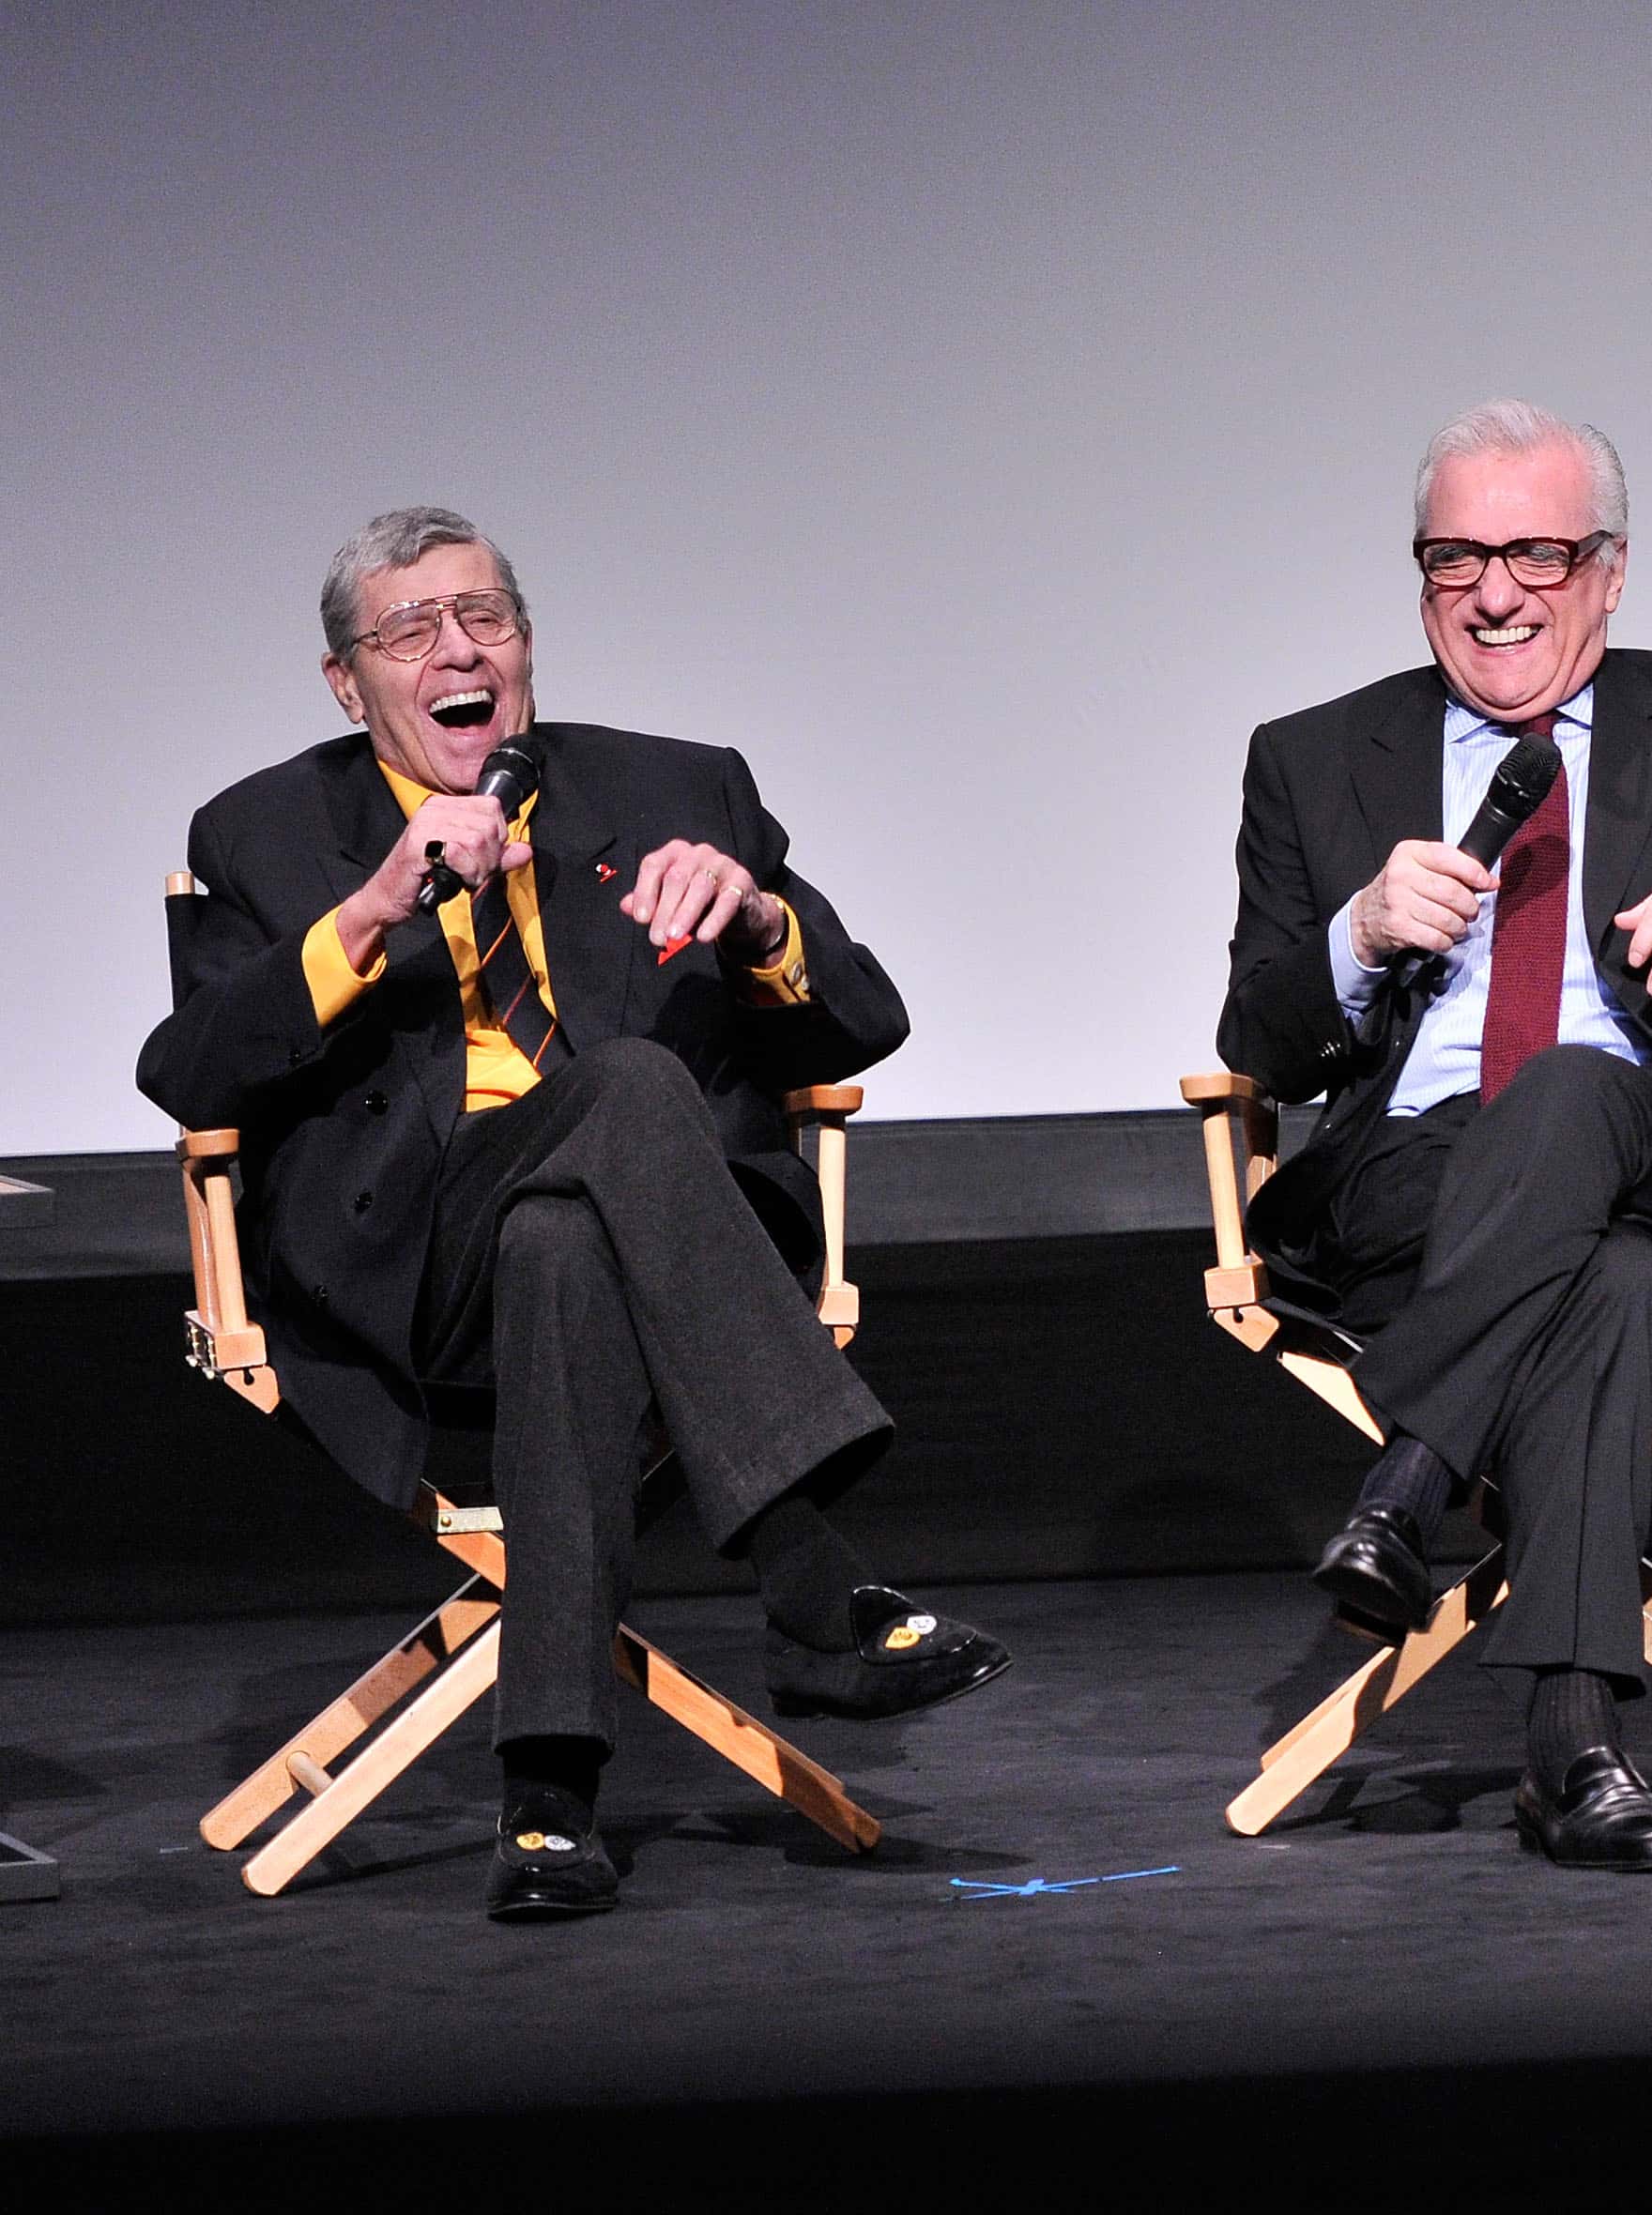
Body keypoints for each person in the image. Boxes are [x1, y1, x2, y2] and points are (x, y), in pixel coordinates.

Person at [139, 508, 1011, 1921]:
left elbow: (867, 1020)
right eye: (410, 631)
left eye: (483, 616)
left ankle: (548, 1796)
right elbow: (185, 1072)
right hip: (415, 1271)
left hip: (654, 1256)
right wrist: (366, 917)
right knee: (626, 1085)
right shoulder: (267, 829)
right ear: (348, 685)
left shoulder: (684, 786)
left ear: (526, 645)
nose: (456, 648)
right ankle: (806, 1571)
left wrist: (764, 929)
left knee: (573, 1221)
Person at [1218, 400, 1652, 1873]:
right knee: (1608, 1285)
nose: (1495, 593)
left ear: (1612, 572)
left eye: (1537, 556)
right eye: (1457, 558)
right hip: (1414, 1179)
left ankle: (1409, 1477)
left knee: (1571, 1088)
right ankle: (1574, 1751)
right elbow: (1259, 1039)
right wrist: (1358, 936)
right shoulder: (1313, 756)